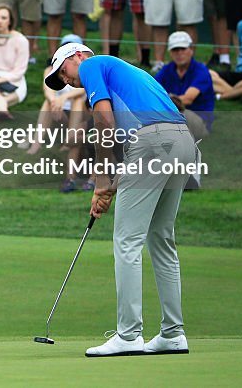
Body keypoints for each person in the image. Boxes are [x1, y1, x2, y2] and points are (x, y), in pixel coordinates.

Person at [46, 41, 197, 357]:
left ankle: (128, 335)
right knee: (161, 238)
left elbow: (104, 122)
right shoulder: (126, 71)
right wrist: (113, 182)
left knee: (128, 241)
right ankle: (172, 333)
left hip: (152, 142)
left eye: (64, 73)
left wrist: (101, 180)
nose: (69, 82)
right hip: (182, 141)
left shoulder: (91, 65)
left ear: (76, 57)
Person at [29, 34, 92, 193]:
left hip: (80, 112)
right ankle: (37, 142)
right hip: (60, 112)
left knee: (77, 104)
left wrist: (63, 97)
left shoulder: (88, 72)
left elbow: (83, 91)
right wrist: (54, 101)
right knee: (48, 103)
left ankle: (70, 177)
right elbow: (47, 89)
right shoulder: (51, 71)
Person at [154, 31, 215, 139]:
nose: (179, 53)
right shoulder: (166, 70)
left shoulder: (201, 71)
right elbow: (151, 91)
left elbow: (188, 99)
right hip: (174, 113)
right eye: (175, 50)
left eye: (183, 49)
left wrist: (164, 101)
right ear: (170, 52)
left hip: (199, 120)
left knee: (176, 115)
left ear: (191, 50)